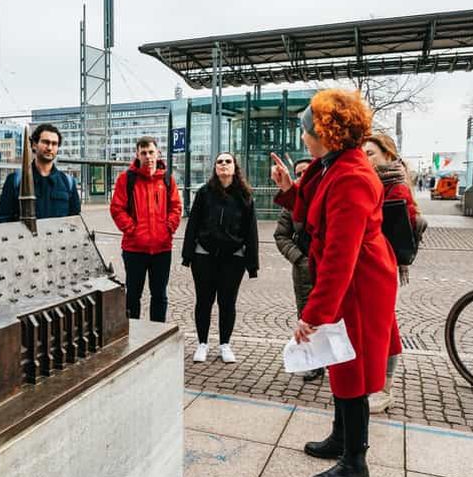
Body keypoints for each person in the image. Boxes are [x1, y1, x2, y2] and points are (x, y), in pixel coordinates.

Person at [272, 90, 398, 477]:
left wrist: (313, 314)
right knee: (339, 361)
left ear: (325, 132)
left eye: (306, 129)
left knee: (352, 369)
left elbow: (341, 255)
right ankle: (341, 439)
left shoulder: (351, 176)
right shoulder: (333, 165)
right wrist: (289, 188)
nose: (303, 135)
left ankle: (355, 463)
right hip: (352, 279)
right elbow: (314, 207)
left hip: (359, 284)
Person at [363, 132, 425, 414]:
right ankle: (376, 384)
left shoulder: (393, 187)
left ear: (387, 155)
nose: (365, 159)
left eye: (371, 154)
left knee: (385, 328)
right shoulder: (381, 182)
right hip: (377, 264)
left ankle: (384, 388)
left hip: (381, 266)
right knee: (382, 326)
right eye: (363, 154)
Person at [182, 152, 259, 363]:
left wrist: (252, 263)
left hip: (233, 258)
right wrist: (188, 254)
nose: (224, 164)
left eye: (228, 161)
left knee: (227, 302)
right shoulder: (204, 193)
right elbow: (193, 224)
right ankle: (202, 344)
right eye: (220, 162)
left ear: (235, 167)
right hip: (204, 256)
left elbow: (251, 230)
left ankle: (225, 344)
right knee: (203, 301)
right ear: (215, 168)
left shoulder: (244, 196)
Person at [110, 136, 182, 322]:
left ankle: (157, 332)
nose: (148, 156)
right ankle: (131, 332)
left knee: (159, 295)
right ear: (137, 154)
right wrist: (132, 230)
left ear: (158, 153)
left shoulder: (167, 179)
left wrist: (168, 228)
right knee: (133, 295)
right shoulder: (126, 179)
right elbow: (117, 209)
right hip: (134, 249)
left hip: (162, 249)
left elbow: (176, 207)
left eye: (151, 152)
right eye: (144, 153)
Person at [273, 157, 323, 381]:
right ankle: (315, 363)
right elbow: (281, 235)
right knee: (307, 315)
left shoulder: (326, 197)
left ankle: (337, 360)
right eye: (299, 173)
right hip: (304, 269)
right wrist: (299, 258)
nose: (303, 177)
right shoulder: (291, 203)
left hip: (327, 266)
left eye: (307, 172)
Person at [0, 124, 80, 222]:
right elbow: (2, 220)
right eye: (45, 142)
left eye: (54, 144)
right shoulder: (15, 181)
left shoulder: (68, 183)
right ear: (34, 145)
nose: (50, 147)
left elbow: (76, 221)